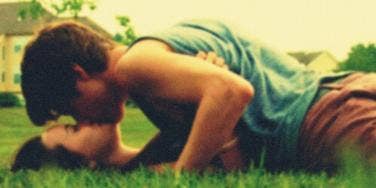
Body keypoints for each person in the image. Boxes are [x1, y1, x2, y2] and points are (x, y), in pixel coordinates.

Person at [17, 19, 376, 173]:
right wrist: (205, 93)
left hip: (322, 120)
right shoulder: (157, 62)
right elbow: (224, 95)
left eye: (70, 109)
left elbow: (232, 90)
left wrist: (181, 174)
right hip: (338, 91)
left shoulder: (135, 66)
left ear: (78, 75)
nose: (81, 120)